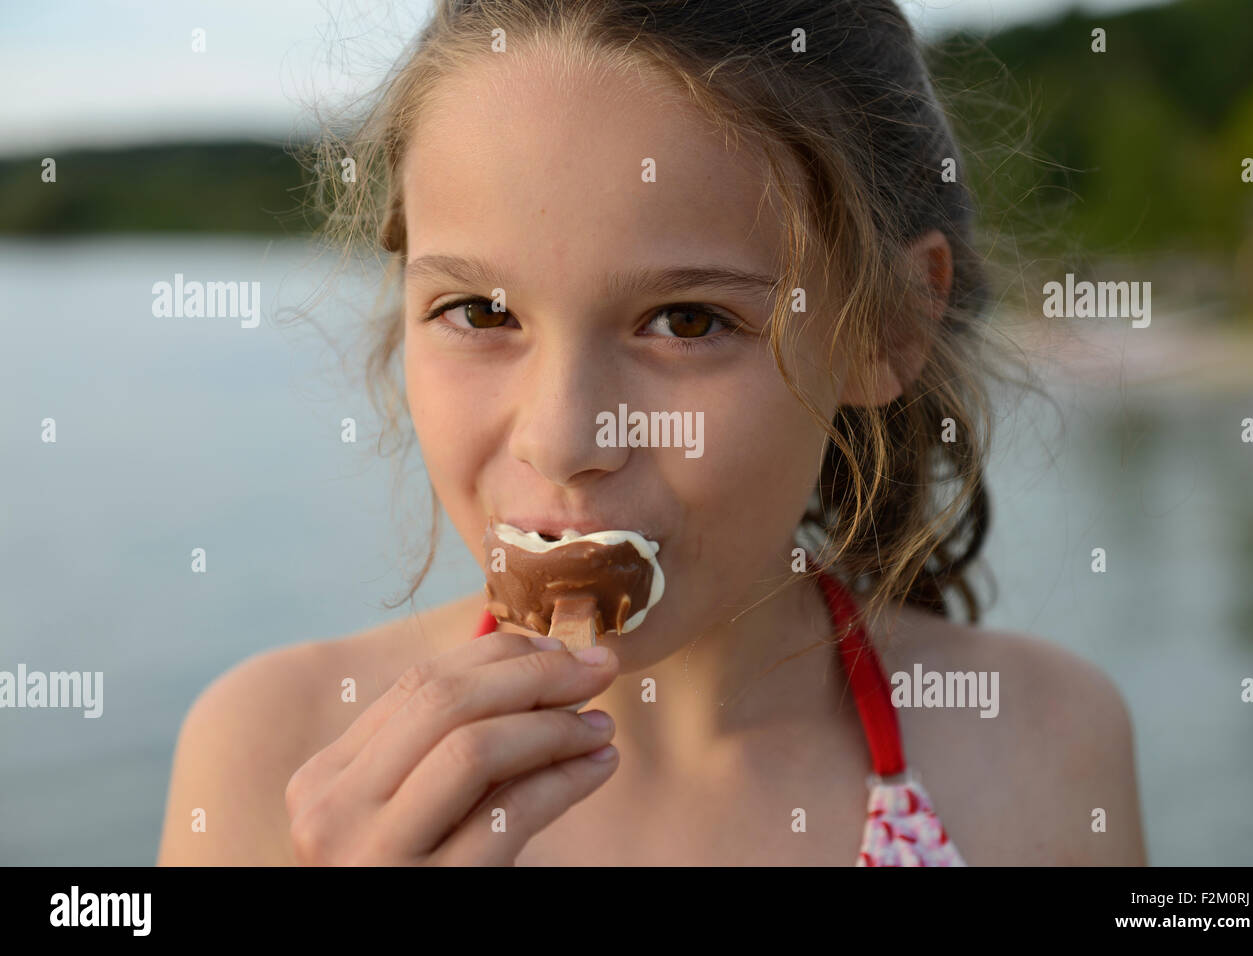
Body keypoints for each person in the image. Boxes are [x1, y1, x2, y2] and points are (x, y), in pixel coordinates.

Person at [157, 0, 1145, 866]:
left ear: (885, 326)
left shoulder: (1049, 740)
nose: (563, 438)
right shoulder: (271, 755)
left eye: (686, 321)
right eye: (481, 313)